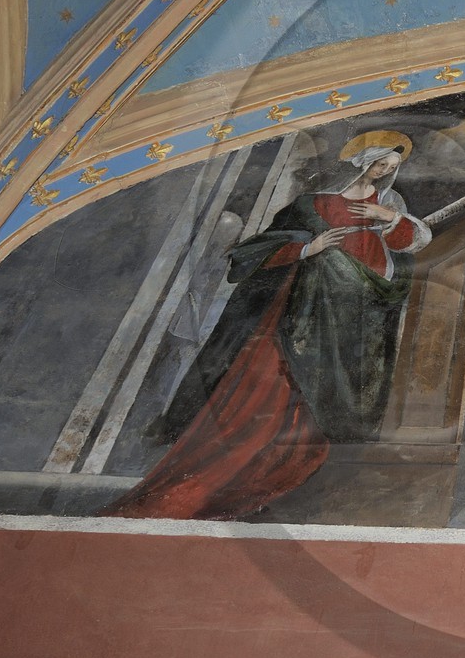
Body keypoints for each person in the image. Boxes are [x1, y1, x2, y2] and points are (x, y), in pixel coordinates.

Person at [106, 131, 432, 520]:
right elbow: (259, 249)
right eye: (380, 163)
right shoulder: (312, 204)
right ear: (363, 160)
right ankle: (230, 466)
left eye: (391, 167)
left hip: (350, 318)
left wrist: (389, 218)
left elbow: (410, 246)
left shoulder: (389, 205)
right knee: (266, 386)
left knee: (322, 395)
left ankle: (290, 462)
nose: (383, 172)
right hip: (296, 309)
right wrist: (310, 248)